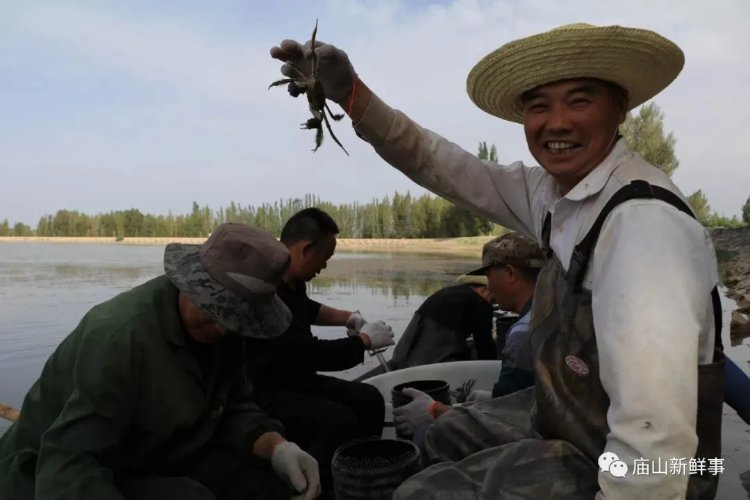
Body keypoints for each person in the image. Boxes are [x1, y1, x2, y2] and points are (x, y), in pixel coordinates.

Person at [271, 23, 725, 499]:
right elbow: (438, 162)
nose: (558, 122)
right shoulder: (555, 196)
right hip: (570, 420)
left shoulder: (642, 229)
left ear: (621, 108)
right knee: (444, 433)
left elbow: (654, 448)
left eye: (579, 100)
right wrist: (350, 94)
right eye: (538, 106)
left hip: (647, 465)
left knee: (419, 494)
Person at [0, 223, 320, 500]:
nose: (223, 327)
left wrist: (278, 447)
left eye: (238, 319)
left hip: (151, 453)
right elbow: (69, 466)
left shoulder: (225, 334)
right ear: (191, 285)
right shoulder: (120, 339)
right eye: (215, 311)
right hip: (46, 477)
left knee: (257, 481)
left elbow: (234, 408)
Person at [245, 208, 394, 499]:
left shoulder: (293, 281)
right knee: (337, 421)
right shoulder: (266, 288)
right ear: (304, 249)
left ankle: (363, 476)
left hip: (298, 380)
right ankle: (320, 489)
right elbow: (309, 354)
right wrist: (363, 341)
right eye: (324, 258)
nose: (324, 267)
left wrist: (347, 317)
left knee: (369, 399)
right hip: (267, 390)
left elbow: (308, 309)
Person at [393, 232, 542, 453]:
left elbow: (498, 422)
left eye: (489, 275)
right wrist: (489, 399)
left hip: (528, 449)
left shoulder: (521, 334)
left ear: (510, 273)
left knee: (425, 433)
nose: (489, 286)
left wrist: (434, 410)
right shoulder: (553, 313)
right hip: (551, 430)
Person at [387, 272, 495, 371]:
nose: (494, 302)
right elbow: (485, 346)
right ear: (485, 289)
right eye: (494, 298)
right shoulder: (481, 303)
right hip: (429, 364)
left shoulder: (446, 292)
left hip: (402, 356)